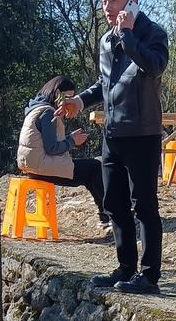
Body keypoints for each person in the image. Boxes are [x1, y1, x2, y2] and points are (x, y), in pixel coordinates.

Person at [69, 0, 169, 295]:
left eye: (112, 1)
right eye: (103, 1)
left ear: (131, 2)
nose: (105, 7)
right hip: (112, 134)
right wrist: (81, 101)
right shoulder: (106, 39)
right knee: (114, 202)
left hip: (142, 133)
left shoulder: (153, 33)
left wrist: (127, 33)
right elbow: (105, 83)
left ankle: (149, 275)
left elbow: (153, 66)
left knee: (144, 205)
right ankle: (125, 267)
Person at [15, 77, 111, 232]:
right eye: (67, 97)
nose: (68, 101)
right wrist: (72, 141)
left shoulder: (36, 108)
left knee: (90, 170)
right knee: (95, 167)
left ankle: (105, 215)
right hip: (42, 168)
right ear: (58, 93)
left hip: (31, 166)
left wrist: (69, 138)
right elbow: (52, 148)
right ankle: (107, 216)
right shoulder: (47, 113)